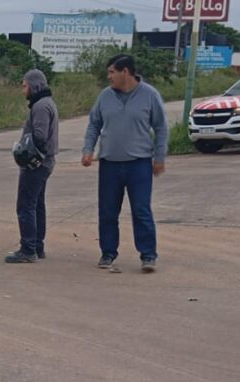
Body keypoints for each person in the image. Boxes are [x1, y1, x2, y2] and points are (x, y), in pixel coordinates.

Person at [82, 54, 169, 273]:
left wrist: (159, 157)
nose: (109, 76)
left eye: (112, 72)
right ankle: (108, 252)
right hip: (110, 164)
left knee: (141, 210)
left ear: (126, 72)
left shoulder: (149, 95)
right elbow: (94, 124)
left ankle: (148, 255)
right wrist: (88, 150)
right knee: (108, 211)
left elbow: (161, 127)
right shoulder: (105, 96)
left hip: (139, 164)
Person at [6, 69, 59, 264]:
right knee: (37, 204)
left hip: (37, 164)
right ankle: (37, 246)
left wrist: (26, 151)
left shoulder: (41, 106)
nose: (23, 90)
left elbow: (40, 135)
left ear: (34, 86)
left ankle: (28, 249)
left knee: (26, 204)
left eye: (24, 86)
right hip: (45, 163)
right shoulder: (46, 103)